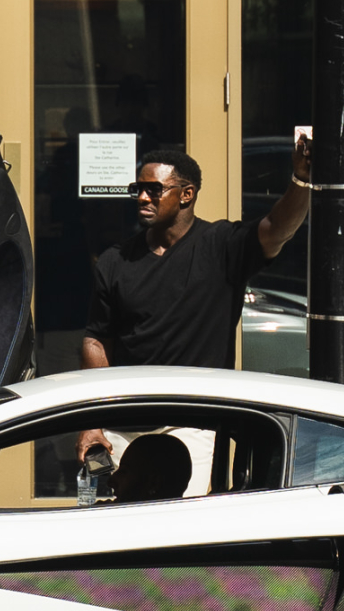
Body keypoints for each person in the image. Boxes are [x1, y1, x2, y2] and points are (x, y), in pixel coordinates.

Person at [76, 139, 311, 470]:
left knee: (184, 518)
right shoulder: (116, 261)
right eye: (138, 189)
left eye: (154, 190)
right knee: (120, 517)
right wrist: (92, 421)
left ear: (186, 194)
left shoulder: (221, 246)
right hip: (123, 424)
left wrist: (300, 180)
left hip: (193, 423)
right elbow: (97, 339)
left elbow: (278, 230)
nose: (143, 198)